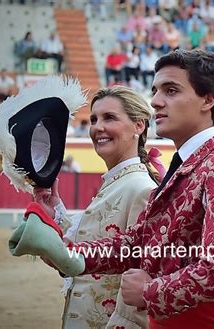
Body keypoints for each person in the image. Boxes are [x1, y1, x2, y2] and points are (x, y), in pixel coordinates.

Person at [37, 49, 214, 329]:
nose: (155, 101)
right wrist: (71, 255)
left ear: (208, 99)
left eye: (171, 90)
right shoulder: (187, 164)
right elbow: (136, 243)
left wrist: (149, 292)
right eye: (155, 91)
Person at [34, 86, 160, 328]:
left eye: (109, 118)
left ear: (139, 126)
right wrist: (56, 215)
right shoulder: (119, 181)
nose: (97, 127)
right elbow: (95, 239)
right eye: (94, 119)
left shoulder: (141, 188)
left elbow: (138, 283)